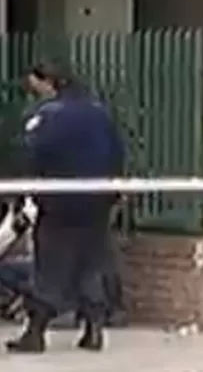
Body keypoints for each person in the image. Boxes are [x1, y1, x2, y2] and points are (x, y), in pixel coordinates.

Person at [5, 61, 125, 354]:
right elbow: (118, 154)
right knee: (90, 262)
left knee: (50, 266)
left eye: (36, 88)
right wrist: (113, 196)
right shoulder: (100, 114)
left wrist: (23, 198)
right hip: (97, 201)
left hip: (59, 202)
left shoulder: (48, 117)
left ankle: (36, 332)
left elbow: (32, 157)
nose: (35, 95)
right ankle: (93, 330)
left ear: (50, 84)